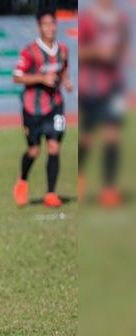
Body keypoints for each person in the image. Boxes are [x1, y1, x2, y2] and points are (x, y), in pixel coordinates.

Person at [12, 9, 73, 208]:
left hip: (55, 105)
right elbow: (16, 77)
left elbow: (64, 68)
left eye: (52, 24)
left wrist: (66, 81)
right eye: (45, 24)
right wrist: (41, 78)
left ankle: (51, 194)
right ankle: (22, 180)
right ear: (39, 27)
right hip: (32, 108)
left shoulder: (63, 49)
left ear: (56, 25)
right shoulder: (29, 51)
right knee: (34, 150)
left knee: (54, 147)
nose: (49, 28)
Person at [78, 0, 129, 207]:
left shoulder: (122, 20)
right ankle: (80, 178)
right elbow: (79, 52)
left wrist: (122, 57)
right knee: (88, 138)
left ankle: (109, 189)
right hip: (91, 86)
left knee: (113, 136)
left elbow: (122, 48)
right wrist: (97, 53)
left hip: (114, 86)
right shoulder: (88, 19)